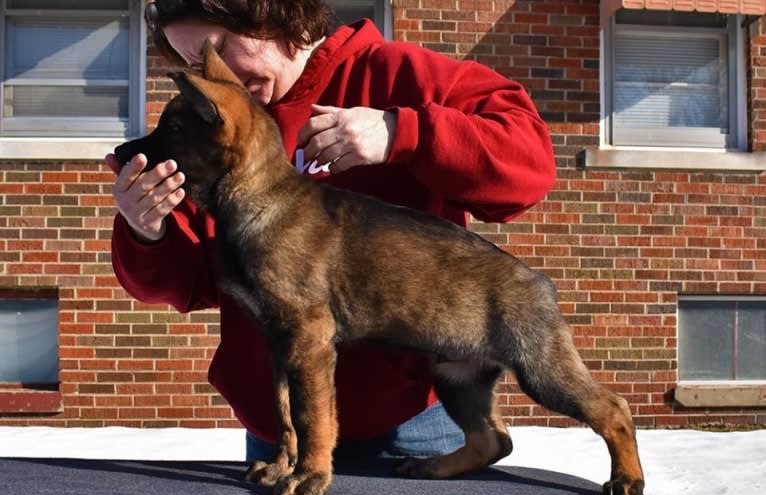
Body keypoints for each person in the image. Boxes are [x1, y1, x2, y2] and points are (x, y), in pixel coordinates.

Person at [105, 0, 557, 465]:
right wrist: (147, 229)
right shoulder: (215, 130)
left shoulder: (400, 73)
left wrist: (403, 131)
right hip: (280, 436)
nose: (217, 75)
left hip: (408, 429)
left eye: (218, 48)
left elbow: (531, 168)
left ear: (276, 15)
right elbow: (194, 283)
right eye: (195, 62)